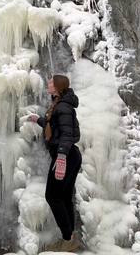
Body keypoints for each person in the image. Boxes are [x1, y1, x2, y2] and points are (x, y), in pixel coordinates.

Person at [28, 74, 82, 252]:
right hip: (70, 156)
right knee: (64, 196)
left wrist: (60, 157)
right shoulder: (59, 104)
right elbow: (56, 126)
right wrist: (39, 120)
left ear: (58, 87)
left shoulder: (64, 107)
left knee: (52, 196)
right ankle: (70, 237)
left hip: (66, 156)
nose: (48, 84)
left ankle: (67, 238)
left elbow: (67, 134)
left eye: (51, 82)